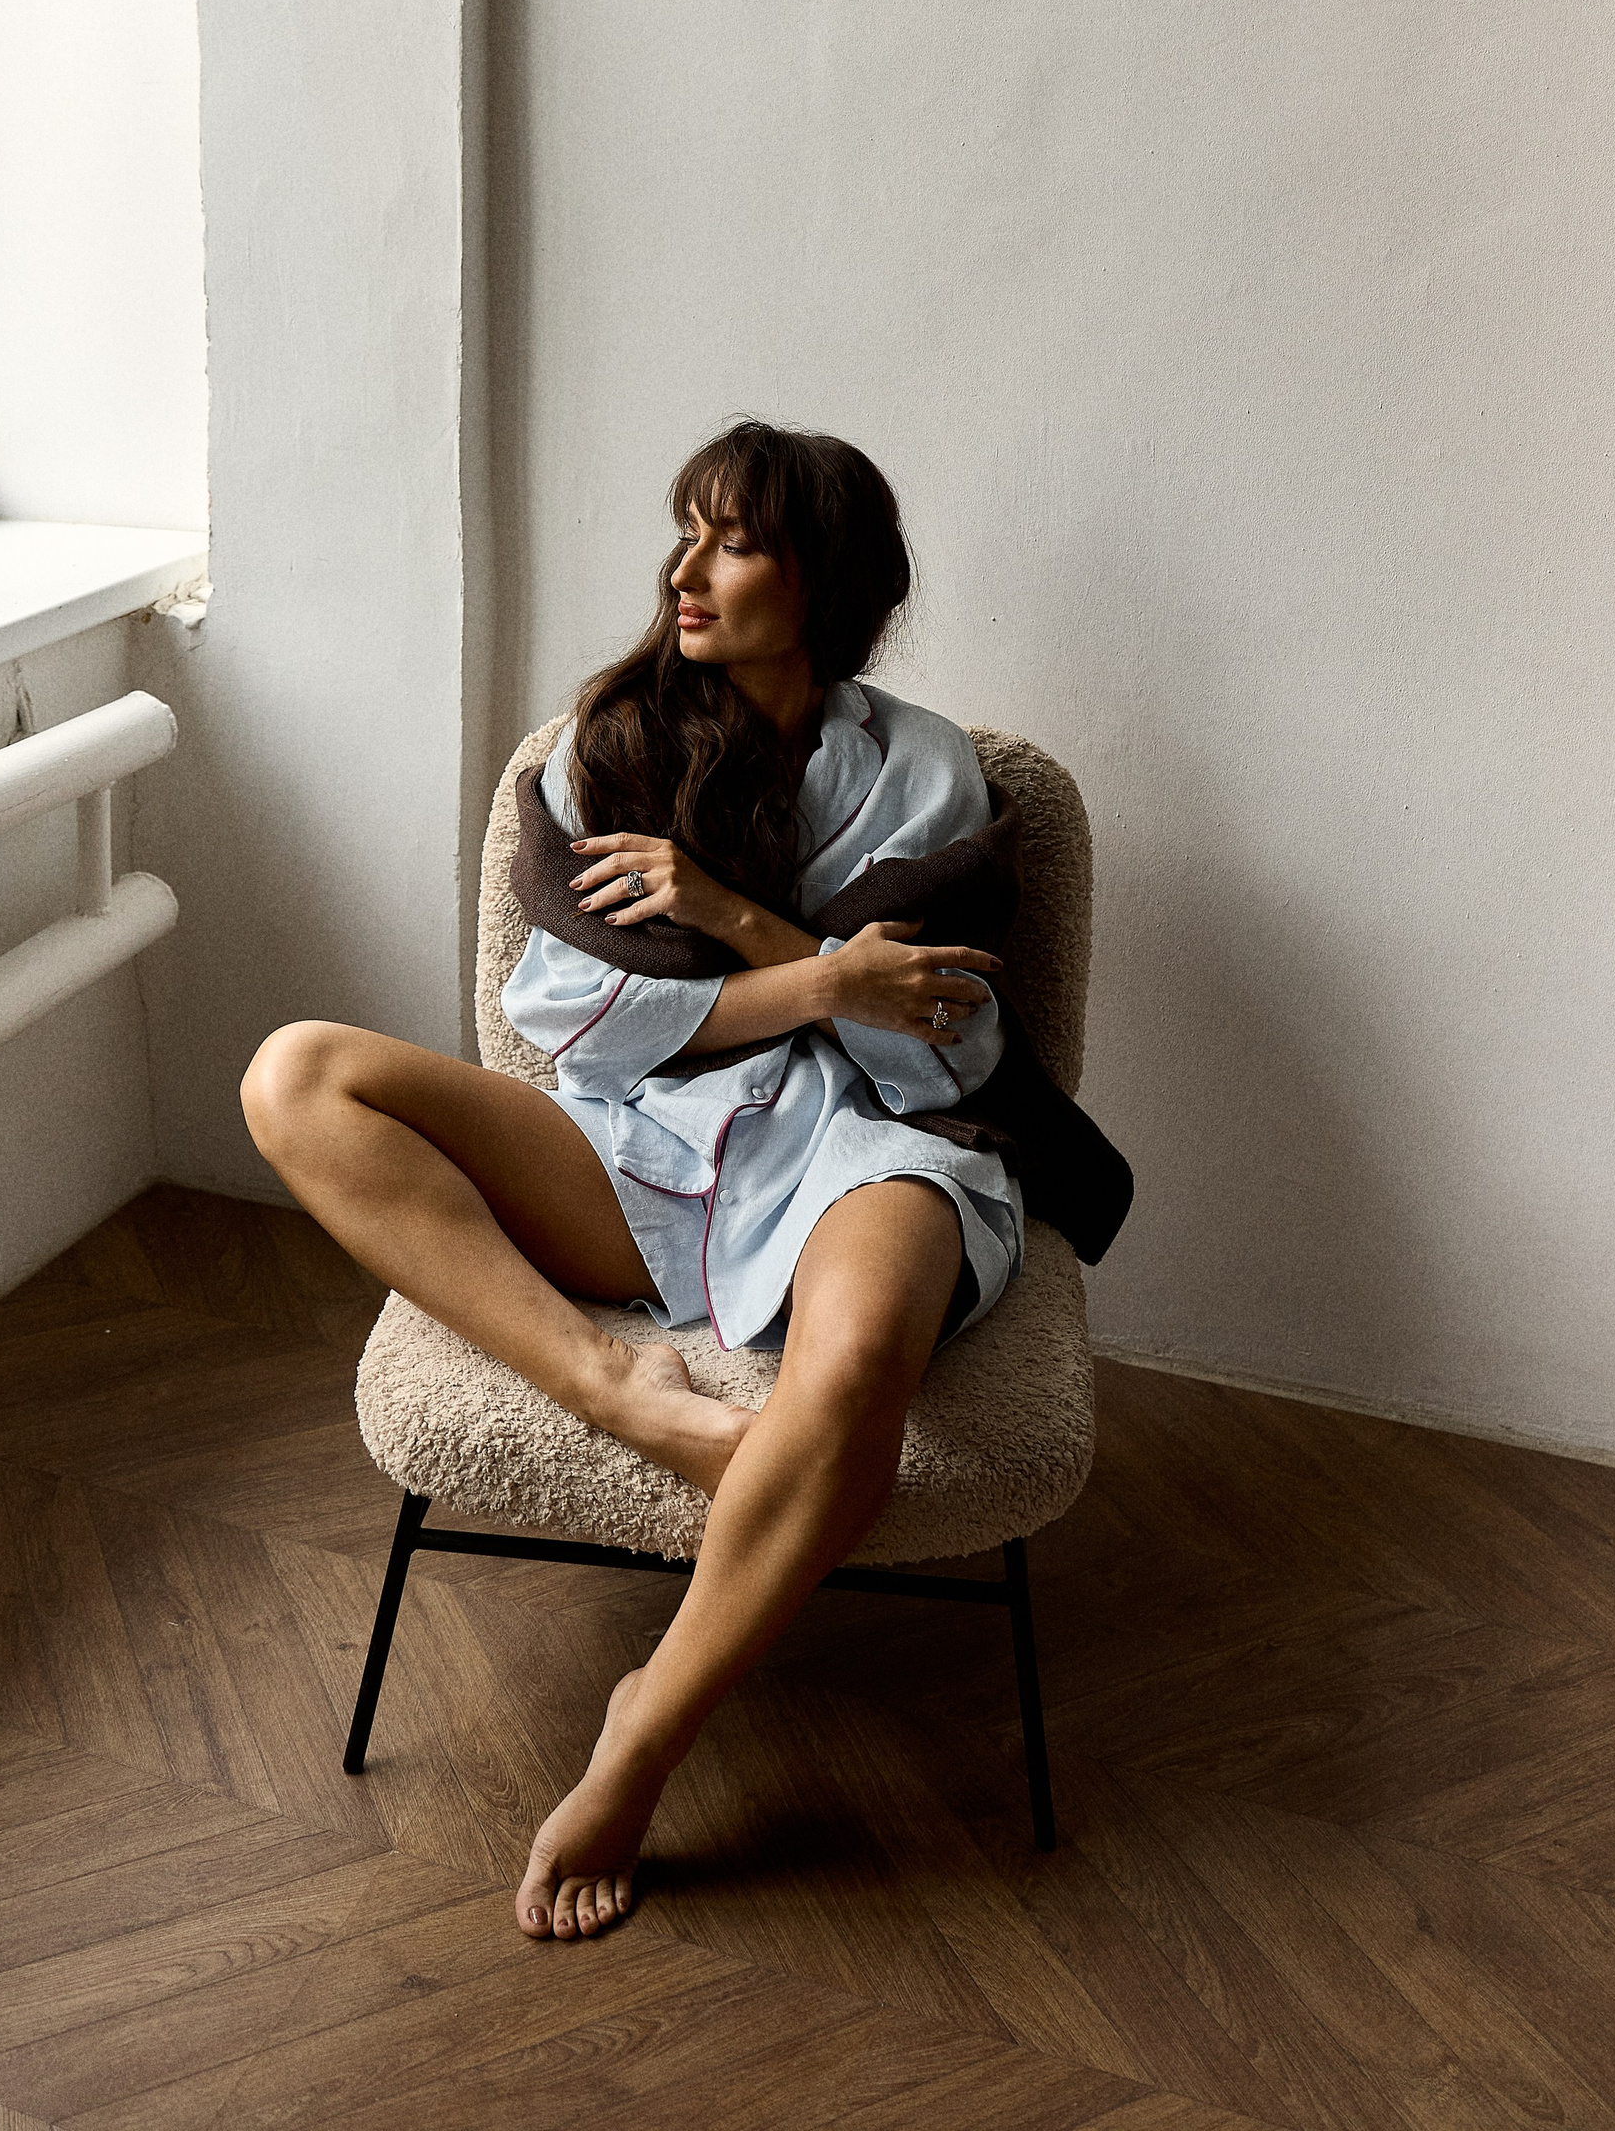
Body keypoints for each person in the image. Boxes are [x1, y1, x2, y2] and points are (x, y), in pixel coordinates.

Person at [241, 419, 1027, 1943]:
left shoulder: (927, 770)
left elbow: (941, 1052)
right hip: (643, 1143)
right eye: (687, 530)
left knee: (862, 1353)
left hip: (872, 1147)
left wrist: (742, 924)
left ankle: (642, 1735)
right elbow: (575, 1021)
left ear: (827, 580)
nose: (687, 569)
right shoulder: (610, 749)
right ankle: (619, 1388)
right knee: (295, 1074)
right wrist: (824, 979)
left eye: (735, 541)